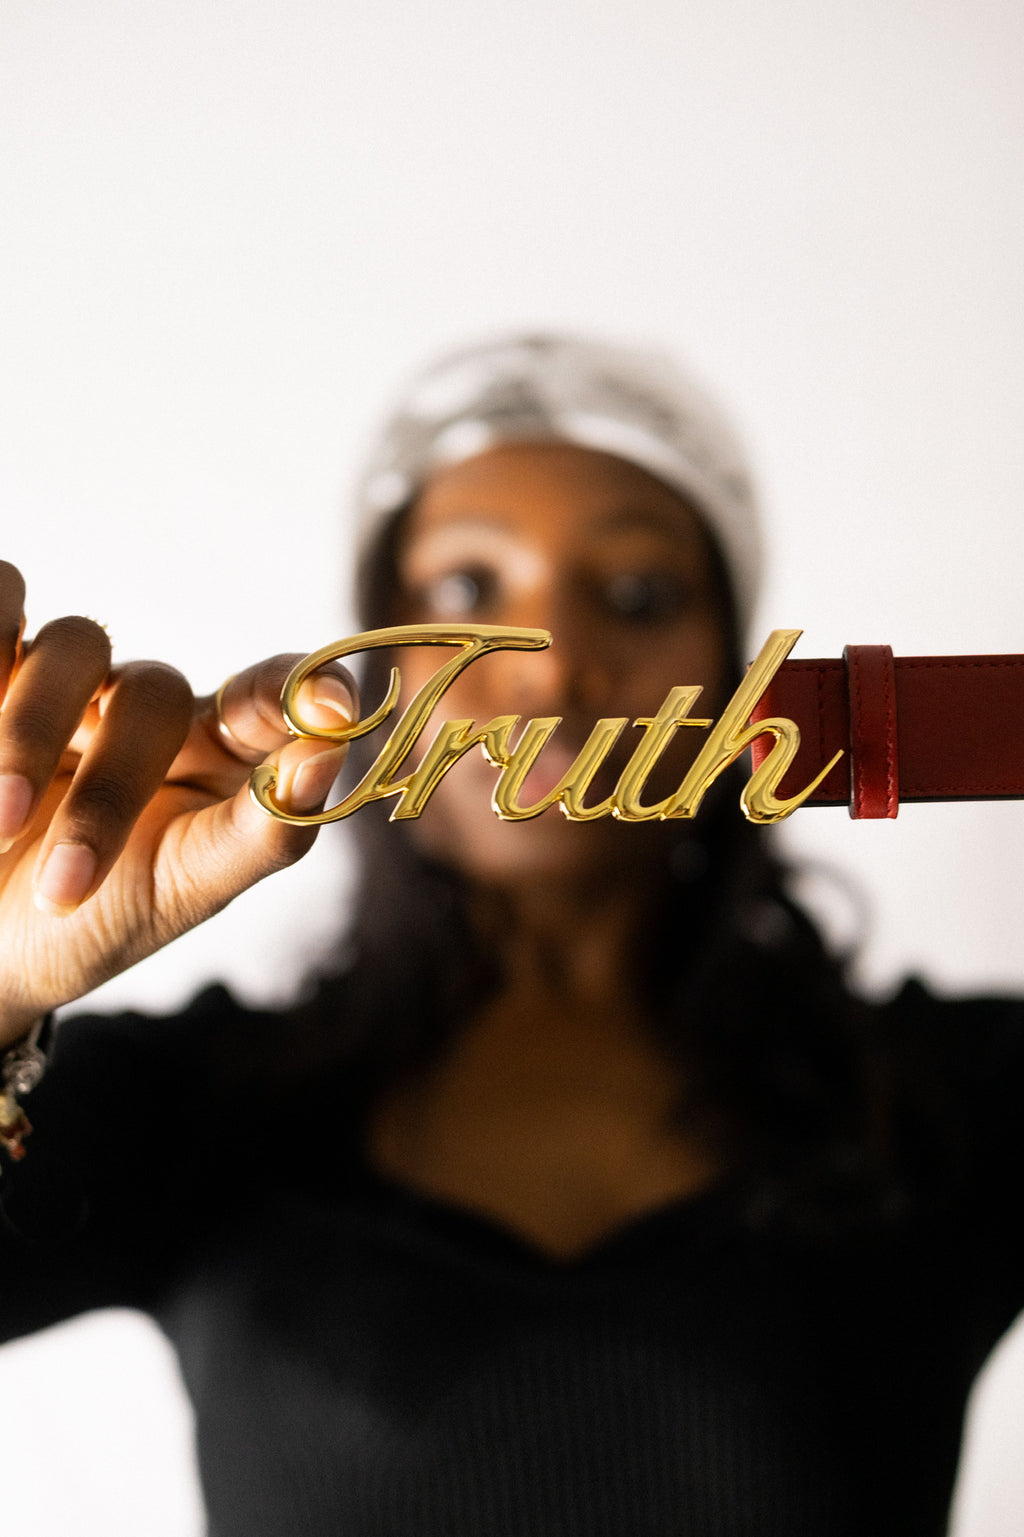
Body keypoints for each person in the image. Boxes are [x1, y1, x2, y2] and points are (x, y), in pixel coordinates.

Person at [1, 333, 1021, 1537]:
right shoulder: (183, 1108)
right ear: (369, 664)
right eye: (469, 590)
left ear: (738, 670)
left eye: (638, 594)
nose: (551, 665)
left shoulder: (950, 1098)